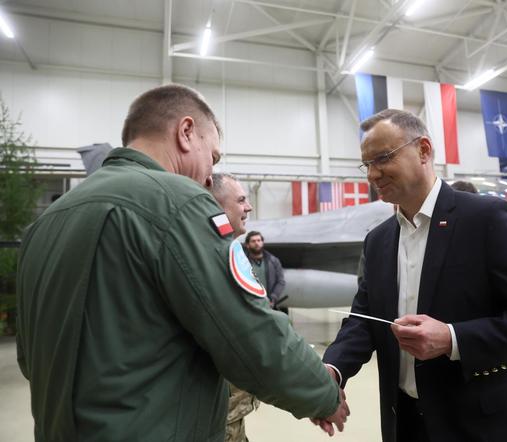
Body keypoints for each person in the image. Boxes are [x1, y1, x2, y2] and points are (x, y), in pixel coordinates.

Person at [15, 84, 348, 441]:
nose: (209, 176)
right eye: (214, 157)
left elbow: (29, 357)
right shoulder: (177, 201)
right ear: (186, 132)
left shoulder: (44, 224)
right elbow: (249, 333)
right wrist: (323, 393)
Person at [320, 109, 507, 442]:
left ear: (423, 150)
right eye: (367, 164)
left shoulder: (485, 219)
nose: (373, 174)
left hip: (482, 425)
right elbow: (365, 320)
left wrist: (452, 339)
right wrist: (332, 369)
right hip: (405, 423)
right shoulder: (378, 240)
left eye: (383, 158)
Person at [208, 173, 259, 442]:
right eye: (240, 200)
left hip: (233, 405)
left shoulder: (231, 249)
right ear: (218, 206)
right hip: (220, 410)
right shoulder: (213, 254)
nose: (248, 207)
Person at [244, 231, 286, 310]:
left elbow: (281, 281)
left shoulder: (273, 261)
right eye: (253, 241)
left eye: (259, 240)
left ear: (262, 242)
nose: (257, 243)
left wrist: (273, 298)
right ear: (247, 245)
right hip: (249, 304)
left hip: (268, 304)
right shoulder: (242, 262)